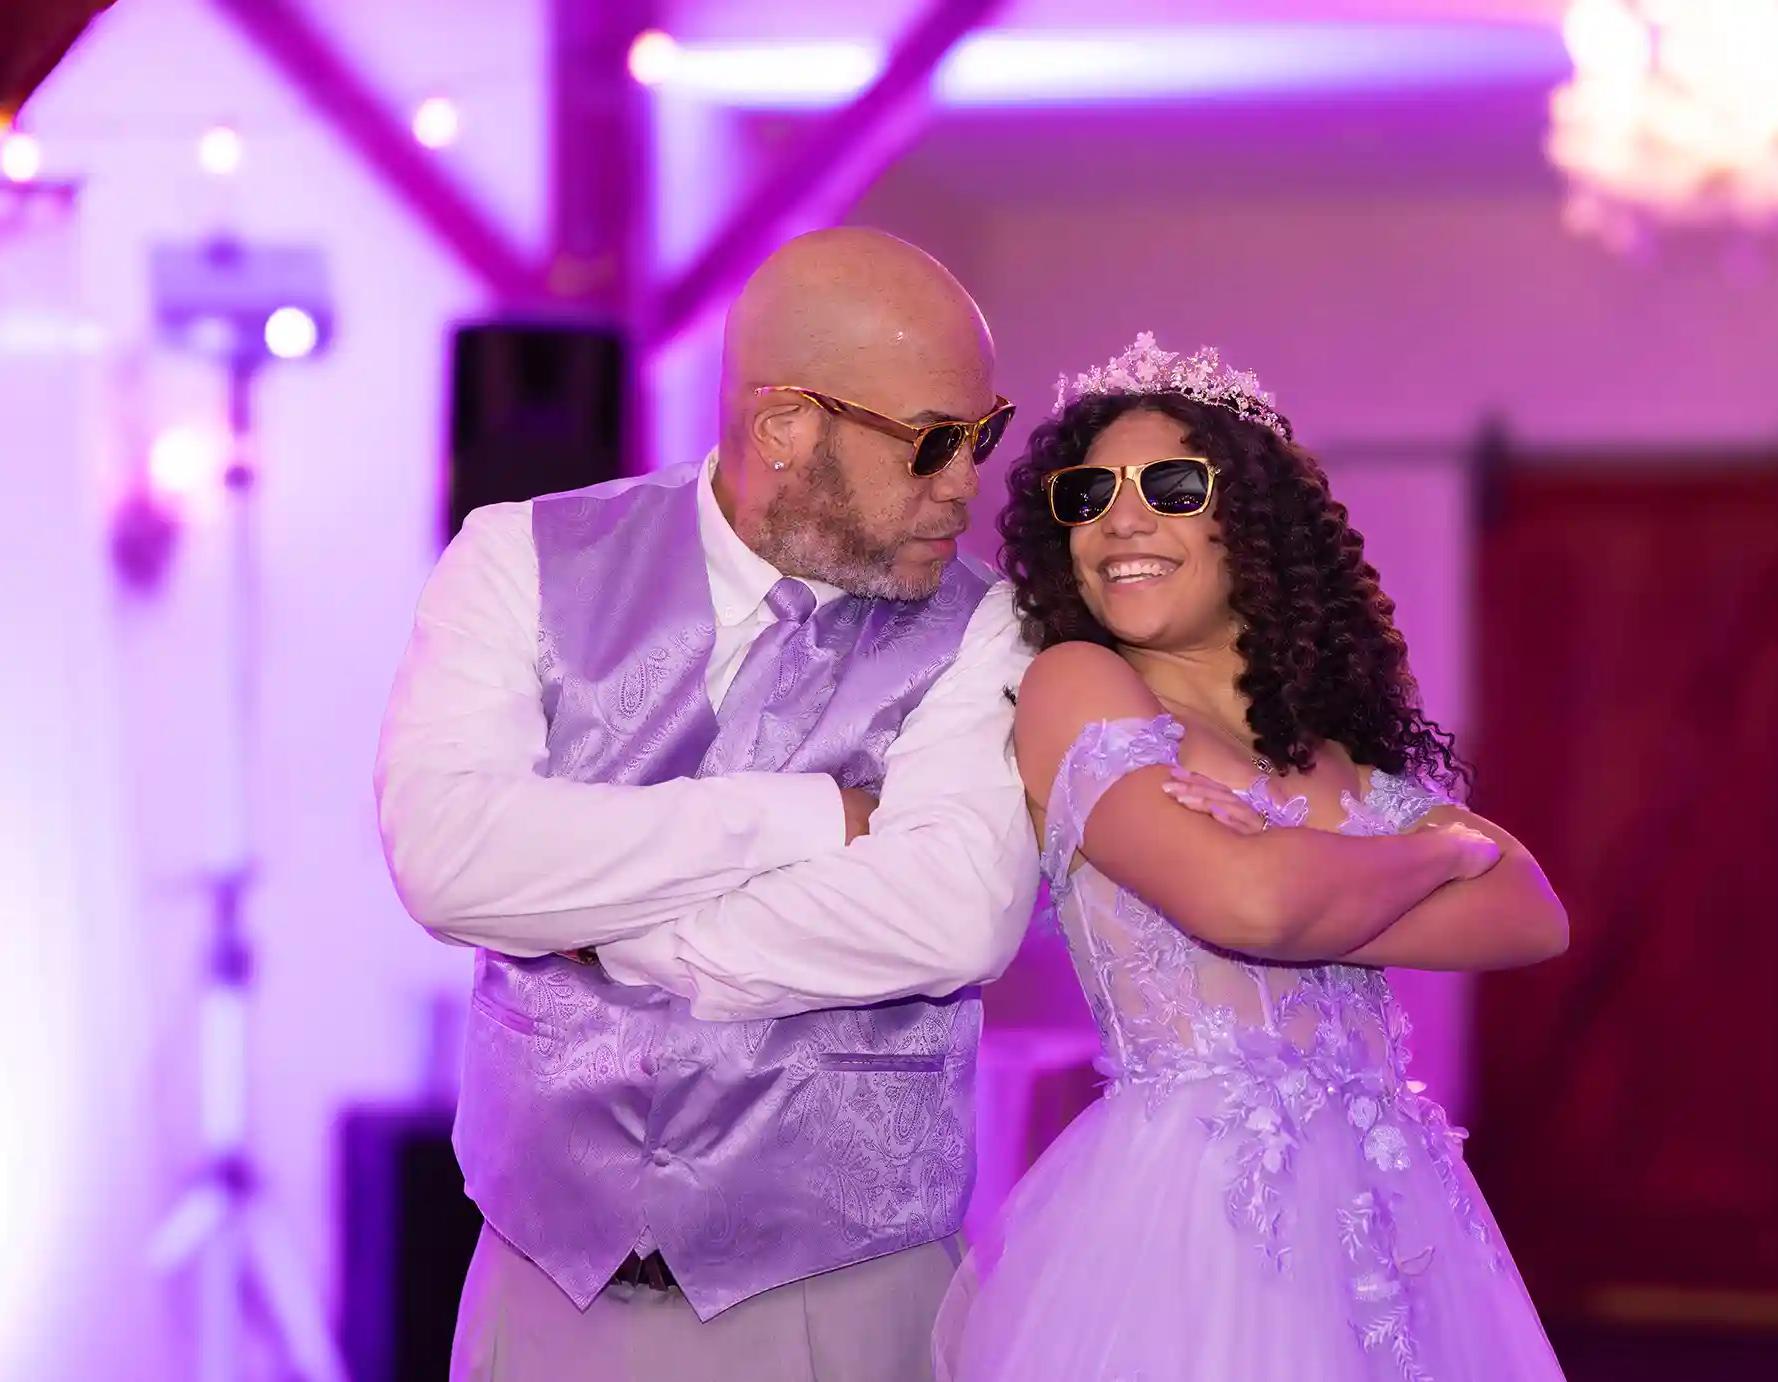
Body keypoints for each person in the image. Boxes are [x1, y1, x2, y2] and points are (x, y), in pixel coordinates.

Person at [374, 228, 1037, 1382]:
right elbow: (444, 854)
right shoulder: (514, 558)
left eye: (983, 434)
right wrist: (807, 818)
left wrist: (600, 923)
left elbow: (957, 913)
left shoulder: (988, 626)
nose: (966, 484)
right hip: (542, 1284)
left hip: (847, 1296)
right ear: (785, 426)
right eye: (933, 442)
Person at [934, 335, 1572, 1381]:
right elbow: (1250, 907)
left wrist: (1302, 870)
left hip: (1398, 1221)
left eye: (1172, 486)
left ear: (1257, 525)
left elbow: (1533, 910)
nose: (1119, 518)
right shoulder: (1078, 684)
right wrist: (1422, 856)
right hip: (1198, 1220)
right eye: (1087, 493)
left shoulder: (1328, 751)